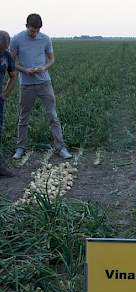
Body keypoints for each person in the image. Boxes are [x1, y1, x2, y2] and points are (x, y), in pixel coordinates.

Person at [10, 14, 72, 160]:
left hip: (44, 82)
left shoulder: (45, 39)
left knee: (53, 116)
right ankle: (20, 148)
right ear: (26, 26)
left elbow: (52, 59)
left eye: (37, 31)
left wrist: (44, 67)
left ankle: (61, 148)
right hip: (26, 84)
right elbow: (11, 62)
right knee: (23, 117)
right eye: (32, 31)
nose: (35, 33)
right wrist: (25, 70)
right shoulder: (17, 39)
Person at [0, 31, 17, 177]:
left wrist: (5, 94)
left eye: (4, 47)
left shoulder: (6, 55)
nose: (2, 50)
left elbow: (13, 76)